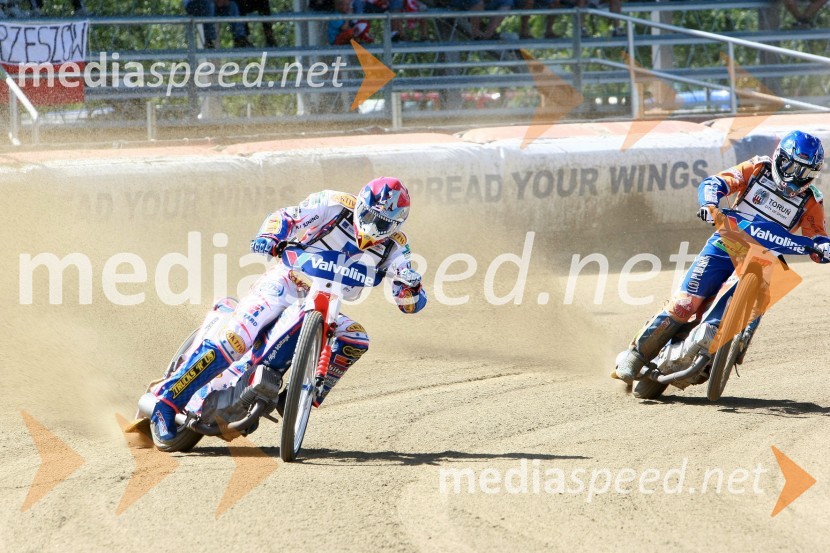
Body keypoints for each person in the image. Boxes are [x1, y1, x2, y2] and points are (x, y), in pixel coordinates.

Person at [151, 178, 428, 440]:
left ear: (396, 224)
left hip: (327, 302)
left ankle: (303, 394)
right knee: (236, 339)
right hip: (285, 282)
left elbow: (407, 301)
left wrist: (411, 288)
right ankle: (165, 403)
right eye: (368, 215)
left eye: (382, 223)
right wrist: (270, 236)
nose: (371, 226)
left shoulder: (397, 248)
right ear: (361, 205)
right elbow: (288, 216)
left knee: (356, 338)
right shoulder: (333, 203)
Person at [615, 131, 829, 383]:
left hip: (765, 259)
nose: (795, 177)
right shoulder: (757, 168)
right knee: (685, 305)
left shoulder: (811, 200)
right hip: (726, 243)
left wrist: (823, 248)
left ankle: (735, 342)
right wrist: (709, 204)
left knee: (765, 290)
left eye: (804, 172)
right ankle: (636, 354)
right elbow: (715, 183)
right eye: (792, 167)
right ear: (779, 158)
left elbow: (818, 236)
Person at [184, 0, 252, 49]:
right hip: (194, 4)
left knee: (232, 5)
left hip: (214, 5)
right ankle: (209, 40)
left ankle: (240, 39)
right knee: (209, 4)